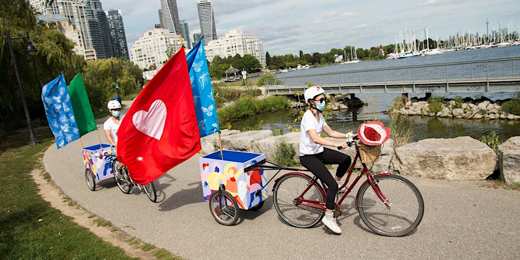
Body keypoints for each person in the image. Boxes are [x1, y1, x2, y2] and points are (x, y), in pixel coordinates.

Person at [299, 86, 352, 235]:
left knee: (345, 160)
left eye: (325, 99)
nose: (324, 102)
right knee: (332, 185)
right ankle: (328, 217)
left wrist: (349, 136)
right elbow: (315, 138)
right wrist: (336, 145)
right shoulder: (308, 117)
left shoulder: (319, 115)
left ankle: (335, 184)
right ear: (311, 102)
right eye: (321, 100)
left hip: (319, 152)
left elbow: (330, 132)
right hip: (308, 157)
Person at [104, 100, 124, 171]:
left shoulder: (124, 118)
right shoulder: (108, 123)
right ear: (110, 110)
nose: (117, 111)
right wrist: (114, 143)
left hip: (126, 144)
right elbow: (108, 136)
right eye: (114, 110)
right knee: (125, 158)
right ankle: (119, 168)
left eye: (118, 109)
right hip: (116, 146)